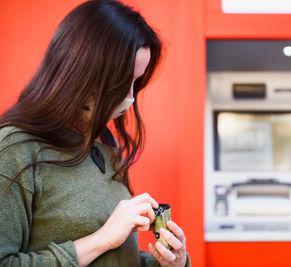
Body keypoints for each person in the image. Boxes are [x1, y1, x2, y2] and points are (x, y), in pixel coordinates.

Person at [0, 0, 190, 266]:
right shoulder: (15, 150)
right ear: (82, 72)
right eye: (123, 83)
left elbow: (114, 260)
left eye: (137, 83)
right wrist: (102, 238)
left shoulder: (104, 147)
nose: (130, 98)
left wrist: (170, 262)